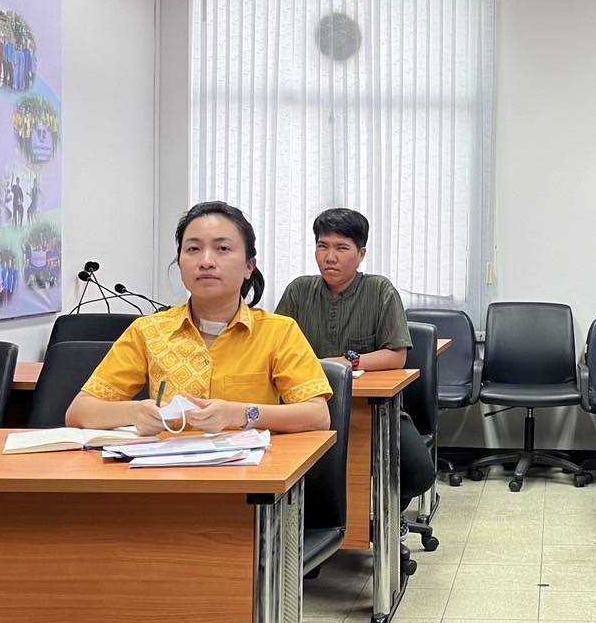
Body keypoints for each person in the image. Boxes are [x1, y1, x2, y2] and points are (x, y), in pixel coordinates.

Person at [68, 200, 331, 438]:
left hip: (247, 478)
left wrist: (239, 415)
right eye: (193, 249)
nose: (206, 261)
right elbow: (80, 412)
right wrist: (134, 413)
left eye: (223, 248)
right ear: (180, 261)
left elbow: (317, 415)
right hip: (165, 476)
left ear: (249, 266)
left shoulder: (279, 331)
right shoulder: (148, 331)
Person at [275, 207, 437, 507]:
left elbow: (395, 356)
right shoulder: (299, 291)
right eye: (322, 246)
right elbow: (272, 351)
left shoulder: (379, 291)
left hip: (374, 409)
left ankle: (386, 517)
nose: (329, 257)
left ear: (360, 253)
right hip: (307, 408)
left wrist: (347, 363)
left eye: (341, 248)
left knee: (417, 471)